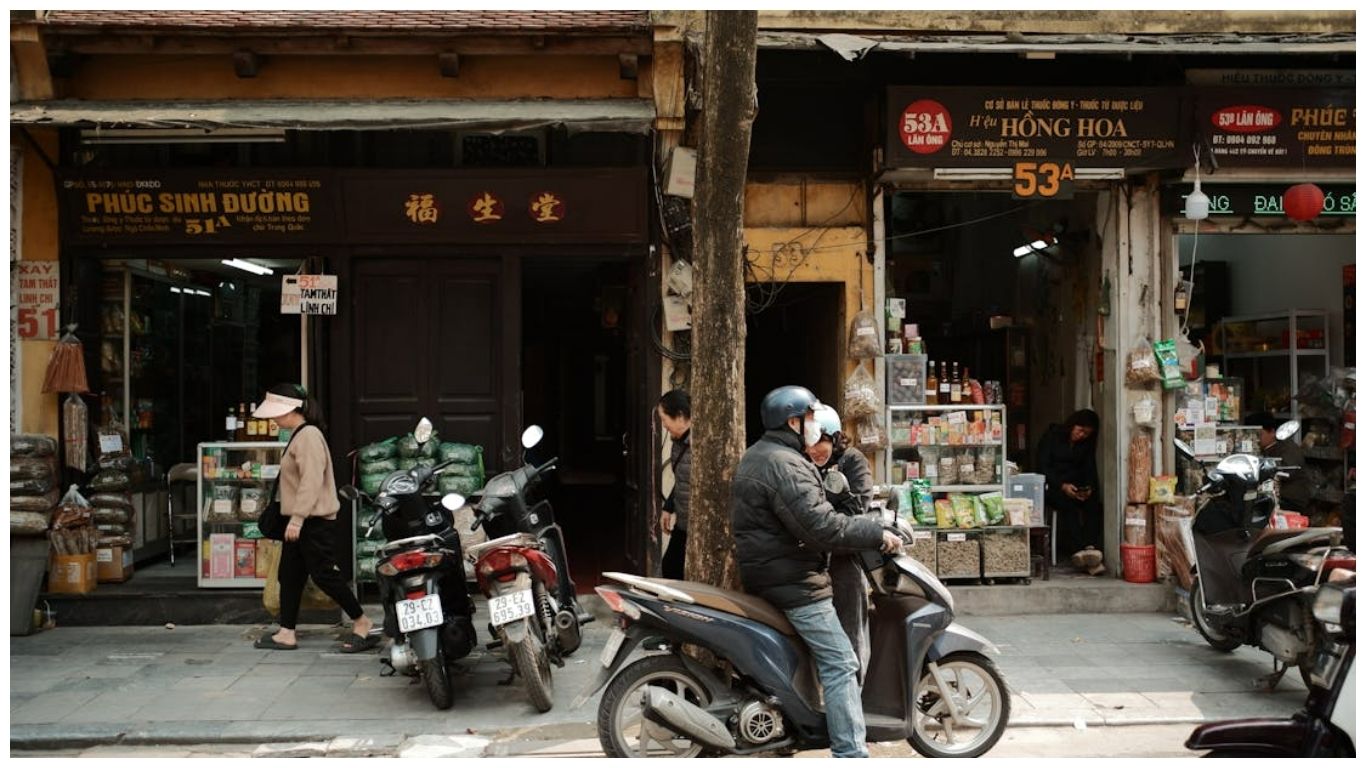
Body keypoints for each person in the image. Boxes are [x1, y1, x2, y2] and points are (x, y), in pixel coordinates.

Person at [731, 385, 901, 759]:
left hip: (773, 573)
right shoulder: (785, 464)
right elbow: (821, 527)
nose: (814, 426)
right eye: (809, 418)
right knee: (842, 664)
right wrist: (877, 533)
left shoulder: (761, 455)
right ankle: (850, 753)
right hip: (794, 582)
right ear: (792, 421)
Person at [251, 384, 378, 653]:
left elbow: (311, 480)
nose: (274, 419)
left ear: (291, 410)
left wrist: (297, 519)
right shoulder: (301, 434)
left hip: (311, 520)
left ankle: (361, 620)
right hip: (301, 519)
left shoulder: (308, 436)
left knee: (323, 574)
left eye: (277, 413)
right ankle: (287, 632)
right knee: (290, 574)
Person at [804, 404, 876, 684]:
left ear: (834, 437)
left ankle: (854, 690)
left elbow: (859, 508)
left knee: (849, 632)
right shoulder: (802, 463)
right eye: (809, 443)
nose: (815, 450)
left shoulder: (853, 461)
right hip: (810, 562)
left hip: (844, 559)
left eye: (821, 442)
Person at [1036, 408, 1103, 575]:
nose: (1081, 436)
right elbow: (1042, 466)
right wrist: (1062, 485)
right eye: (1080, 430)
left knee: (1094, 504)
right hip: (1053, 486)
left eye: (1086, 434)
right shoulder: (1052, 436)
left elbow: (1089, 469)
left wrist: (1088, 488)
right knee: (1068, 506)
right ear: (1072, 425)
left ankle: (1090, 546)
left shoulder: (1085, 446)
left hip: (1075, 487)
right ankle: (1079, 551)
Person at [657, 389, 692, 580]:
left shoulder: (703, 442)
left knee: (673, 570)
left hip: (695, 526)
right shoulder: (678, 441)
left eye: (664, 419)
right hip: (683, 522)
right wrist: (668, 507)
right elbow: (682, 479)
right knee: (670, 568)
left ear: (679, 416)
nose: (664, 426)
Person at [1249, 412, 1311, 512]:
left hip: (1290, 501)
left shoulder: (1288, 448)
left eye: (1259, 434)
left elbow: (1287, 471)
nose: (1255, 439)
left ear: (1272, 432)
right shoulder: (1262, 449)